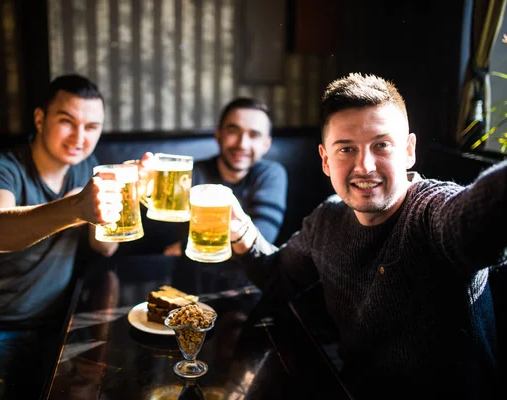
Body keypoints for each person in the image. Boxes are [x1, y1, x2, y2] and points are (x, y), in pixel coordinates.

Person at [227, 73, 506, 399]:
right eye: (346, 149)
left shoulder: (430, 211)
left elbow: (477, 216)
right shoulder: (327, 220)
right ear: (326, 160)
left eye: (381, 145)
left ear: (408, 151)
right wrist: (240, 226)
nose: (365, 166)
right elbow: (277, 276)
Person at [0, 74, 123, 399]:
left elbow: (105, 247)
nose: (79, 138)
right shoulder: (4, 166)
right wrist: (77, 207)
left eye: (92, 127)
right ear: (40, 119)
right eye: (67, 121)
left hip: (58, 326)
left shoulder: (88, 167)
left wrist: (124, 195)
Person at [161, 97, 288, 256]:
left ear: (266, 144)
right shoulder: (190, 174)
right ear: (218, 135)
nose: (242, 144)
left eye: (254, 135)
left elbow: (261, 238)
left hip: (249, 276)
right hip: (194, 273)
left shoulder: (270, 174)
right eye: (233, 131)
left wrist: (185, 247)